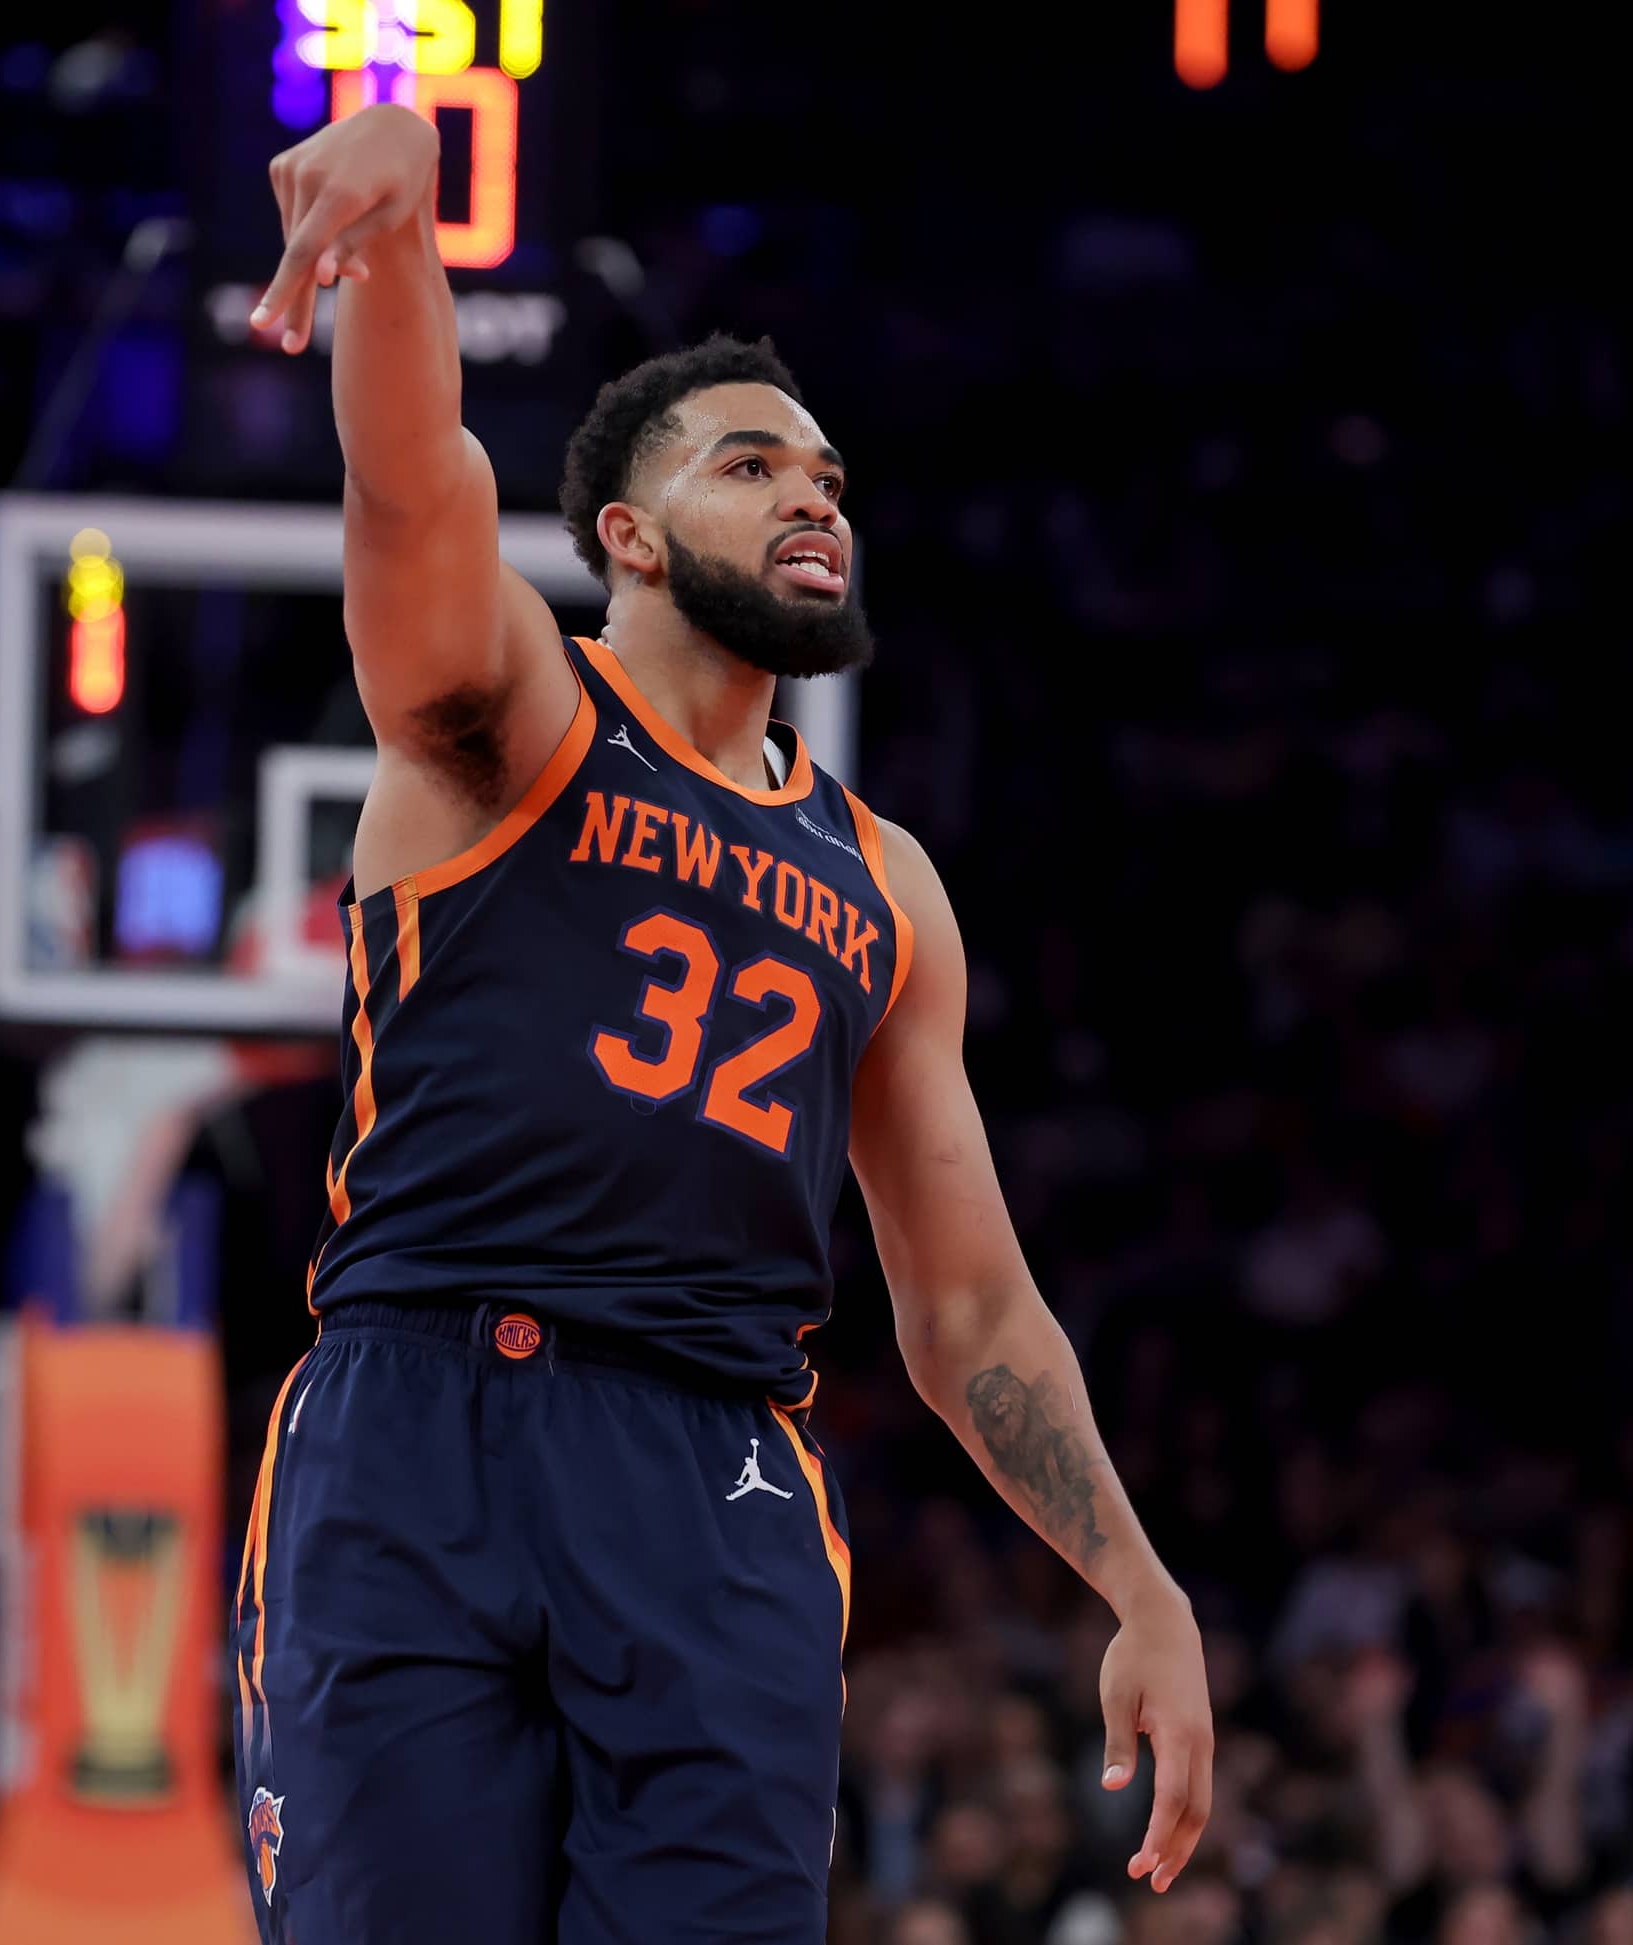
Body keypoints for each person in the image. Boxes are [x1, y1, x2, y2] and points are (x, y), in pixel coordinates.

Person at [226, 98, 1215, 1945]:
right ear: (631, 534)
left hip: (712, 1468)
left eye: (828, 476)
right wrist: (396, 244)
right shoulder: (513, 713)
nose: (813, 496)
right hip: (423, 1416)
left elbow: (970, 1306)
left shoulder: (886, 881)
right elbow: (410, 482)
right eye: (754, 467)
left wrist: (1134, 1580)